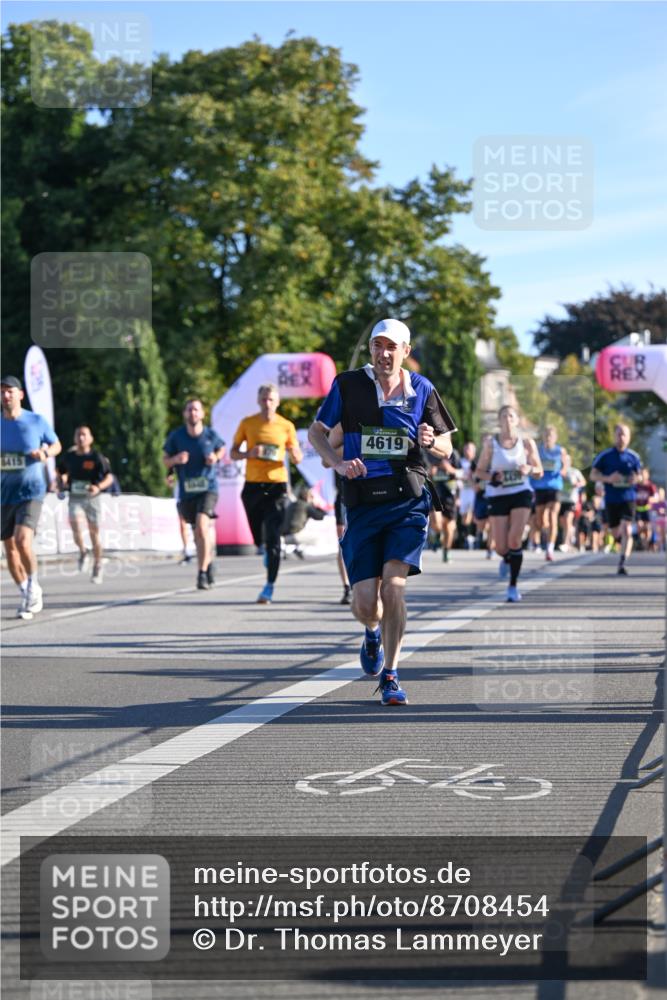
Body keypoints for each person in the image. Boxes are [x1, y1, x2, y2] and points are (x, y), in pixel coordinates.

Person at [308, 318, 456, 706]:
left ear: (406, 352)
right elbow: (316, 432)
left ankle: (390, 673)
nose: (384, 353)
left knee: (394, 586)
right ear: (371, 349)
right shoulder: (348, 384)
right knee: (364, 604)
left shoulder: (421, 389)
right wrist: (338, 464)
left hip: (407, 500)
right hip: (362, 501)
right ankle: (372, 631)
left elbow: (447, 446)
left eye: (392, 347)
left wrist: (432, 441)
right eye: (378, 345)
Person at [230, 383, 303, 604]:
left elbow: (298, 457)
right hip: (253, 486)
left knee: (273, 537)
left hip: (277, 486)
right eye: (263, 399)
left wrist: (293, 452)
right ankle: (262, 548)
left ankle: (269, 586)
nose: (267, 403)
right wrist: (248, 453)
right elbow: (233, 453)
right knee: (258, 537)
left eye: (271, 399)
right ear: (258, 401)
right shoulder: (248, 423)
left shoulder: (286, 426)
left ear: (278, 402)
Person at [1, 375, 61, 619]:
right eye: (2, 392)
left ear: (20, 394)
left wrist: (45, 452)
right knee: (9, 549)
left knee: (23, 540)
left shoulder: (36, 420)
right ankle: (26, 591)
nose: (6, 396)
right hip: (4, 494)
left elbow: (56, 444)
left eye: (10, 391)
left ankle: (34, 586)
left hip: (31, 491)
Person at [475, 405, 542, 602]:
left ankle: (513, 586)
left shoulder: (527, 443)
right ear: (499, 420)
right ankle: (505, 558)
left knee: (515, 540)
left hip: (521, 492)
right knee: (500, 547)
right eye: (503, 415)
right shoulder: (490, 443)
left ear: (517, 420)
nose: (507, 419)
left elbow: (539, 470)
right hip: (498, 495)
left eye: (510, 416)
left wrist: (528, 469)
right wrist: (492, 476)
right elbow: (478, 472)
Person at [163, 398, 225, 590]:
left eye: (196, 410)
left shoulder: (210, 435)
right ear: (185, 414)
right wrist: (175, 459)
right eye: (189, 410)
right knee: (198, 533)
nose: (193, 413)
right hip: (187, 491)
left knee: (201, 525)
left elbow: (221, 449)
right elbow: (165, 461)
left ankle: (202, 573)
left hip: (209, 488)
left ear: (202, 414)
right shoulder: (177, 437)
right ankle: (209, 561)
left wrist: (215, 457)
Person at [57, 426, 114, 583]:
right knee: (75, 523)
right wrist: (60, 482)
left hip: (92, 498)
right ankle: (83, 551)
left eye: (84, 435)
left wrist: (98, 487)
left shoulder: (96, 457)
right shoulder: (69, 457)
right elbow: (60, 471)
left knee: (94, 534)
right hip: (75, 497)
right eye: (78, 435)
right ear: (75, 438)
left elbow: (110, 477)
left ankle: (97, 565)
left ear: (90, 438)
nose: (81, 438)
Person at [590, 423, 642, 576]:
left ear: (629, 437)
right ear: (614, 436)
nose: (622, 437)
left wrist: (635, 479)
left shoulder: (634, 457)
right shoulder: (605, 456)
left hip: (628, 498)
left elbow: (641, 476)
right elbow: (593, 475)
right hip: (612, 499)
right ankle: (620, 545)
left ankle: (622, 561)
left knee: (627, 529)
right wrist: (608, 478)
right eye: (619, 434)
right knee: (615, 532)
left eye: (624, 434)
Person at [529, 425, 569, 562]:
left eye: (550, 435)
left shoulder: (560, 450)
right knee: (540, 520)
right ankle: (542, 535)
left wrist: (564, 470)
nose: (548, 438)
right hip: (539, 486)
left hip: (555, 486)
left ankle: (550, 548)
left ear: (555, 438)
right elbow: (532, 463)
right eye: (546, 435)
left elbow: (566, 464)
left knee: (553, 516)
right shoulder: (538, 450)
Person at [429, 449, 461, 563]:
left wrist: (449, 469)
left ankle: (446, 551)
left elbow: (462, 474)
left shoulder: (454, 454)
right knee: (437, 523)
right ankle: (437, 534)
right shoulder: (430, 453)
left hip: (450, 496)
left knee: (449, 528)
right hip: (435, 494)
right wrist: (429, 472)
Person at [557, 462, 586, 551]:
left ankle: (565, 543)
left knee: (567, 520)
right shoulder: (558, 471)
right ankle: (571, 536)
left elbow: (583, 482)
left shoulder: (574, 471)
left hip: (571, 499)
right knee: (562, 523)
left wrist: (577, 484)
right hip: (560, 499)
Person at [458, 441, 478, 549]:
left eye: (470, 449)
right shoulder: (459, 462)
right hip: (462, 492)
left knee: (471, 514)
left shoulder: (476, 463)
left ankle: (472, 536)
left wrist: (472, 479)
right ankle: (466, 537)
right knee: (463, 516)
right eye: (466, 449)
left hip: (472, 492)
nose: (467, 451)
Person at [635, 467, 657, 551]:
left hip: (647, 509)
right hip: (638, 509)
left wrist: (651, 499)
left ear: (647, 475)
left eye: (644, 474)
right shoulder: (636, 486)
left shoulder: (650, 486)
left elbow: (656, 497)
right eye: (641, 474)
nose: (643, 476)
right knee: (640, 526)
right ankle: (642, 542)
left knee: (647, 528)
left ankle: (646, 544)